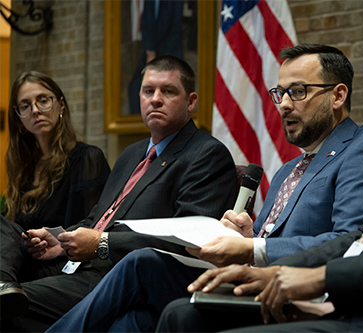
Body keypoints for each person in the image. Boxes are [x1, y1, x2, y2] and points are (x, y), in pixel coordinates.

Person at [157, 24, 363, 333]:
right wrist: (265, 259)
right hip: (337, 291)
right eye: (281, 93)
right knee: (179, 314)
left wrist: (313, 276)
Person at [47, 44, 363, 332]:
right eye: (280, 93)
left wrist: (253, 249)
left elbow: (356, 242)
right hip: (250, 279)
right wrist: (249, 235)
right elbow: (266, 241)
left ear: (338, 95)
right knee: (133, 321)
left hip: (300, 290)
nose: (285, 104)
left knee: (142, 264)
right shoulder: (288, 169)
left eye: (298, 91)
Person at [0, 55, 238, 330]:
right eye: (148, 91)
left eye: (168, 91)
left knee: (13, 309)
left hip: (115, 275)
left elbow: (189, 242)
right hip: (75, 264)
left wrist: (102, 244)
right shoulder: (132, 154)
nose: (156, 99)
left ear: (191, 101)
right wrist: (59, 238)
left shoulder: (207, 154)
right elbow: (95, 221)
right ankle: (3, 282)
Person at [2, 71, 110, 231]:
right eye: (25, 106)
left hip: (65, 255)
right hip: (20, 255)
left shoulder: (87, 158)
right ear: (19, 117)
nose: (35, 110)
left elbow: (92, 229)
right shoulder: (24, 166)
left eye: (43, 101)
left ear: (61, 105)